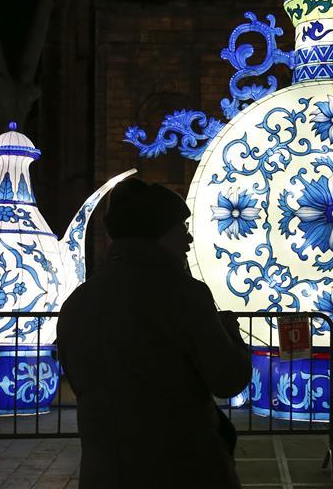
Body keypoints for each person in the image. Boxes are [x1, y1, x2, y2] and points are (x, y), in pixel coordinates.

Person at [57, 178, 251, 488]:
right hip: (182, 469)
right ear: (156, 232)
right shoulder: (184, 295)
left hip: (104, 472)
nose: (188, 239)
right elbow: (228, 378)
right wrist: (231, 333)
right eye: (180, 228)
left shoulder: (78, 302)